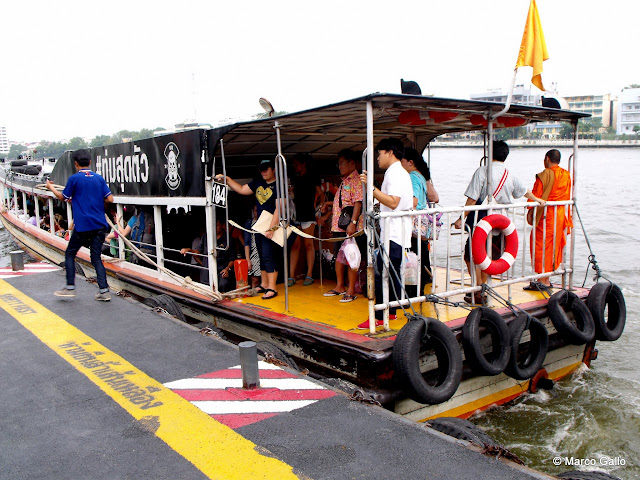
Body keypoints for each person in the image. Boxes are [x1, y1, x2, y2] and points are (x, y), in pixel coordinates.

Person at [453, 140, 545, 303]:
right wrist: (538, 199)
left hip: (481, 222)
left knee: (472, 256)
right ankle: (483, 289)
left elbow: (472, 199)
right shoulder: (510, 174)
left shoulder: (482, 171)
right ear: (506, 156)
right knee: (488, 257)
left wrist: (461, 218)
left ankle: (478, 289)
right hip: (501, 223)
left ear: (489, 153)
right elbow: (524, 192)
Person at [358, 138, 413, 329]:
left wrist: (371, 188)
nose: (378, 159)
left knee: (384, 274)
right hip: (397, 232)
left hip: (394, 233)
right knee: (391, 272)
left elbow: (393, 202)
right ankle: (391, 312)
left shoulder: (396, 173)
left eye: (379, 154)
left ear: (390, 152)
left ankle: (381, 316)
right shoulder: (399, 172)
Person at [46, 148, 114, 301]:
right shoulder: (99, 178)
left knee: (70, 253)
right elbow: (110, 199)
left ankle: (70, 287)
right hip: (100, 225)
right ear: (90, 162)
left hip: (83, 226)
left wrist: (50, 187)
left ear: (75, 163)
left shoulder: (74, 179)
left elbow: (63, 197)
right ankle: (104, 291)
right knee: (96, 258)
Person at [215, 159, 281, 300]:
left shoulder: (278, 185)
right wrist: (227, 179)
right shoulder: (257, 182)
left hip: (271, 224)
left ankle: (272, 287)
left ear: (273, 169)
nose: (263, 172)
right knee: (262, 254)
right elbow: (241, 189)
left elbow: (279, 208)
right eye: (261, 169)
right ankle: (264, 284)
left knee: (269, 255)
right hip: (259, 224)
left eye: (266, 169)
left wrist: (272, 228)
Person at [322, 149, 364, 303]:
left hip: (349, 227)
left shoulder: (356, 180)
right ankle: (340, 286)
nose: (339, 166)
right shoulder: (345, 181)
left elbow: (358, 203)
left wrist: (353, 223)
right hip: (339, 227)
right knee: (339, 257)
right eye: (338, 164)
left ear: (352, 163)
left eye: (342, 163)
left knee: (351, 257)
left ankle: (351, 289)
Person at [527, 149, 572, 287]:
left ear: (547, 159)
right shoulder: (566, 175)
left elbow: (535, 198)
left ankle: (542, 280)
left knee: (540, 246)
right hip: (559, 216)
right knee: (552, 248)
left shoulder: (544, 175)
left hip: (546, 217)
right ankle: (547, 279)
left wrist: (530, 210)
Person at [402, 147, 439, 295]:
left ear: (410, 162)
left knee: (413, 257)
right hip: (422, 225)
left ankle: (413, 290)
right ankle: (420, 288)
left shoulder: (412, 176)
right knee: (421, 256)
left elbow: (414, 201)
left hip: (414, 223)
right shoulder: (421, 177)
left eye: (402, 162)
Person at [288, 153, 322, 287]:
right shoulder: (294, 178)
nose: (295, 167)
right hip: (296, 215)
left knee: (309, 244)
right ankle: (292, 275)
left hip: (309, 214)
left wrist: (319, 208)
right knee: (295, 245)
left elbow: (321, 193)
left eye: (297, 164)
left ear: (303, 164)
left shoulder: (312, 176)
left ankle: (309, 274)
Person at [180, 219, 236, 292]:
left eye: (217, 225)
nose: (214, 228)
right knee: (205, 288)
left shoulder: (229, 239)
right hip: (207, 270)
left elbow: (232, 258)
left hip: (221, 270)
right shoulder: (206, 236)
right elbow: (198, 251)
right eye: (213, 226)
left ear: (222, 226)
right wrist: (189, 250)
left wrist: (227, 269)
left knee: (223, 286)